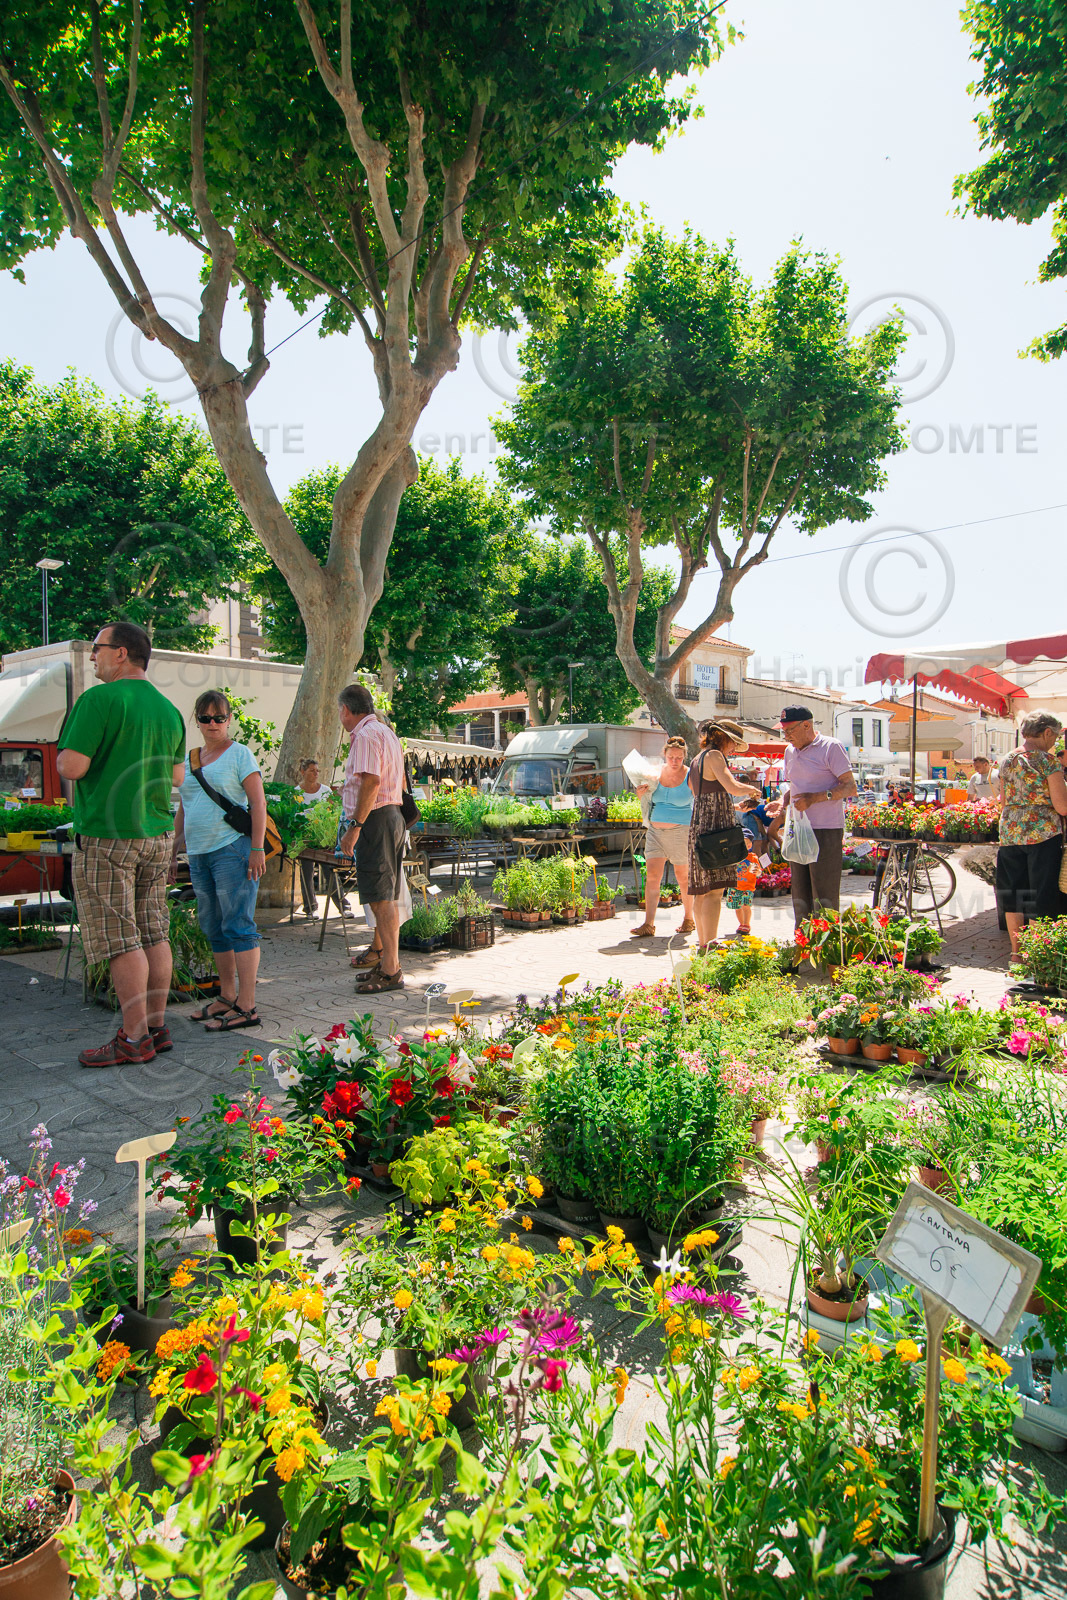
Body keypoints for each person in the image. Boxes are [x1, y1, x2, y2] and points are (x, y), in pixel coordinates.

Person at [57, 621, 186, 1068]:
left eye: (98, 648)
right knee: (153, 930)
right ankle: (155, 1027)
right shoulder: (169, 710)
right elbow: (175, 777)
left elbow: (72, 767)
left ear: (122, 653)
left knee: (120, 937)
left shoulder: (99, 700)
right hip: (156, 833)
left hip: (108, 835)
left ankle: (132, 1039)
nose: (92, 656)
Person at [173, 691, 267, 1030]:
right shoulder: (190, 759)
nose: (212, 724)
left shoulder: (240, 754)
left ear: (229, 720)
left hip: (232, 849)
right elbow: (185, 805)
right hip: (199, 853)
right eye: (205, 718)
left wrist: (257, 849)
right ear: (196, 720)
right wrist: (175, 847)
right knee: (213, 926)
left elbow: (258, 803)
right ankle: (227, 996)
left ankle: (247, 1004)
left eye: (219, 717)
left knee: (238, 925)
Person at [338, 683, 406, 993]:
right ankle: (388, 963)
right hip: (391, 815)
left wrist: (355, 826)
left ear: (347, 710)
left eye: (340, 711)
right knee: (385, 898)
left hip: (376, 819)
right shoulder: (386, 732)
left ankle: (391, 970)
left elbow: (371, 781)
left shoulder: (365, 736)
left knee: (381, 899)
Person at [767, 705, 857, 927]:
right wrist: (782, 802)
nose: (786, 736)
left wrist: (815, 798)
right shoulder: (790, 751)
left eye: (789, 731)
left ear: (807, 725)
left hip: (826, 829)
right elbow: (794, 787)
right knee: (800, 894)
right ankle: (803, 948)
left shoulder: (830, 747)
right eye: (783, 732)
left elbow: (850, 787)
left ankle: (826, 950)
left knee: (824, 894)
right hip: (798, 828)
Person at [995, 711, 1067, 958]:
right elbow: (1062, 806)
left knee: (1014, 893)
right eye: (1056, 736)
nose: (1055, 741)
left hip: (1010, 834)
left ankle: (1016, 953)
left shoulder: (1006, 759)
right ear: (1047, 732)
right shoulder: (1047, 761)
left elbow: (1003, 801)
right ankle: (1038, 954)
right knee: (1040, 894)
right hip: (1042, 835)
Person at [687, 718, 761, 952]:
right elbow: (731, 787)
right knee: (715, 890)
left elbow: (701, 793)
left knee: (703, 890)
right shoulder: (715, 756)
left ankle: (702, 943)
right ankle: (710, 944)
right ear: (722, 737)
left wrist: (736, 808)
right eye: (733, 743)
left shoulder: (696, 760)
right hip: (717, 828)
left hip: (701, 824)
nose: (732, 749)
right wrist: (752, 789)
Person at [629, 735, 696, 938]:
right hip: (656, 831)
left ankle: (688, 919)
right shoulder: (654, 774)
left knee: (683, 878)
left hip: (680, 831)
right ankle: (648, 924)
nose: (674, 761)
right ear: (664, 755)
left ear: (684, 756)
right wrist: (641, 794)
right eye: (671, 757)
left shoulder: (691, 776)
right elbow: (648, 799)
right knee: (652, 878)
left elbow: (701, 800)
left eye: (678, 758)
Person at [296, 757, 336, 918]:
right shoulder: (296, 791)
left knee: (329, 869)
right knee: (306, 870)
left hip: (323, 838)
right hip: (305, 838)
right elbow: (295, 815)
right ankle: (310, 907)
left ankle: (343, 905)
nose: (316, 773)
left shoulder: (326, 790)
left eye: (317, 770)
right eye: (312, 770)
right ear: (303, 772)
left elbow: (332, 811)